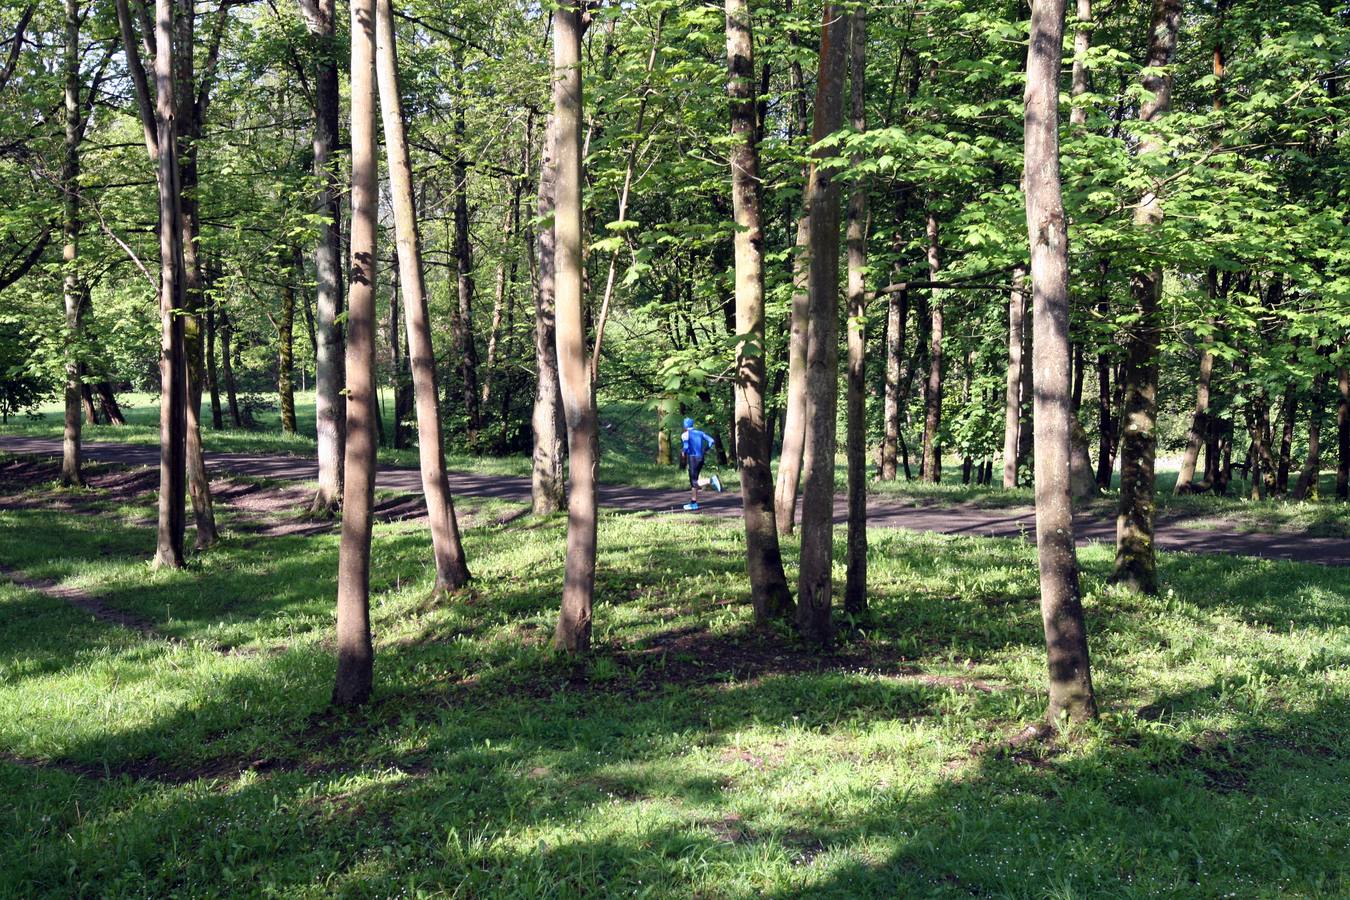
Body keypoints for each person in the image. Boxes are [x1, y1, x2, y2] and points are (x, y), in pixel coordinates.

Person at [680, 417, 715, 510]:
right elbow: (711, 441)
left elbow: (686, 447)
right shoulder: (700, 433)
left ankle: (711, 480)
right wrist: (706, 449)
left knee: (694, 481)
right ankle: (694, 503)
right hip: (701, 457)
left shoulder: (685, 435)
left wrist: (683, 452)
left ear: (685, 426)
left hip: (693, 458)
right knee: (694, 480)